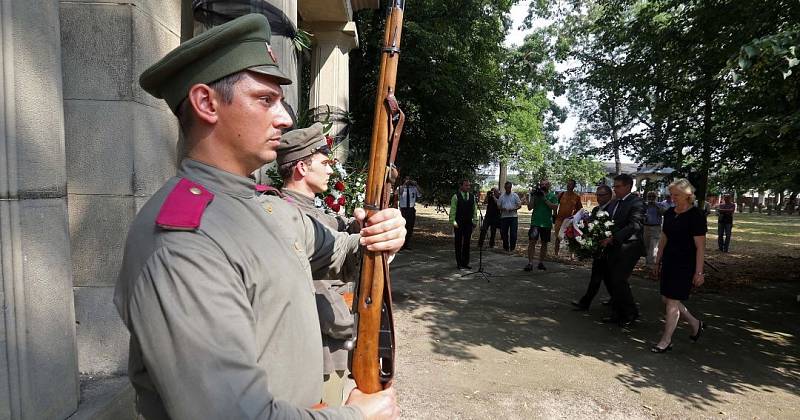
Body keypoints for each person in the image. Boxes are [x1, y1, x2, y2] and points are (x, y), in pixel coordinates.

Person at [114, 14, 402, 419]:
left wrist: (382, 236)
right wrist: (354, 416)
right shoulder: (183, 241)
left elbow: (341, 252)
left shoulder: (266, 206)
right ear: (205, 103)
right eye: (265, 100)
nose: (285, 117)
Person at [277, 123, 361, 406]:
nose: (330, 170)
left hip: (329, 338)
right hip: (314, 348)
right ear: (302, 168)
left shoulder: (312, 210)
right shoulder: (287, 213)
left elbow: (336, 227)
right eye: (324, 163)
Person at [651, 179, 707, 353]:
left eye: (677, 195)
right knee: (666, 299)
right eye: (671, 194)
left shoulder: (696, 215)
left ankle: (666, 340)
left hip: (685, 264)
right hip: (669, 261)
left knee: (672, 302)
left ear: (688, 195)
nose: (673, 198)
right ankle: (695, 323)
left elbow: (700, 246)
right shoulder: (669, 213)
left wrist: (699, 272)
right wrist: (657, 260)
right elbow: (663, 239)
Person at [599, 173, 644, 327]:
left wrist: (613, 237)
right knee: (612, 280)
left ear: (627, 186)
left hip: (629, 247)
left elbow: (635, 225)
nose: (615, 189)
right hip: (614, 247)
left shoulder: (636, 202)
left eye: (617, 186)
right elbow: (608, 222)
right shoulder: (614, 203)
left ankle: (630, 313)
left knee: (619, 279)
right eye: (614, 186)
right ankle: (617, 313)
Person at [571, 185, 614, 310]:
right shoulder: (596, 210)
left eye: (602, 195)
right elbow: (590, 225)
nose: (598, 197)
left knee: (602, 277)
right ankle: (613, 299)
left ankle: (586, 303)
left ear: (609, 196)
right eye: (597, 195)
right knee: (603, 277)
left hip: (608, 249)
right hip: (598, 249)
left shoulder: (612, 209)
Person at [524, 180, 558, 271]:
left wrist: (544, 199)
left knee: (544, 243)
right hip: (535, 222)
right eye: (541, 184)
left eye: (545, 184)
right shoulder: (536, 195)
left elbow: (554, 207)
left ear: (549, 185)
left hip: (546, 223)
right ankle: (530, 263)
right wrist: (533, 197)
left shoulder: (552, 195)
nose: (543, 186)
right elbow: (529, 208)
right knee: (532, 242)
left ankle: (541, 263)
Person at [449, 180, 478, 269]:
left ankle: (465, 262)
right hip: (458, 223)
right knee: (458, 243)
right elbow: (453, 210)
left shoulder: (472, 197)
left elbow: (475, 210)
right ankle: (459, 263)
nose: (468, 187)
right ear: (461, 186)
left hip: (468, 223)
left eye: (469, 185)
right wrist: (453, 221)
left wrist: (475, 221)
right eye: (466, 185)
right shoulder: (456, 197)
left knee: (467, 243)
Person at [553, 179, 583, 256]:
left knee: (570, 237)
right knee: (558, 237)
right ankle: (556, 254)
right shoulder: (561, 194)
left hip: (569, 221)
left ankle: (571, 256)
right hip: (559, 220)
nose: (569, 185)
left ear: (574, 186)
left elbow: (580, 209)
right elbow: (556, 205)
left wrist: (574, 217)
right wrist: (555, 213)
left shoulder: (576, 197)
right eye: (568, 184)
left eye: (571, 184)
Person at [396, 176, 421, 249]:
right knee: (402, 226)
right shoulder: (400, 187)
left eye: (409, 179)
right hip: (403, 209)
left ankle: (406, 244)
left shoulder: (414, 188)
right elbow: (399, 193)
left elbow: (420, 194)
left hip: (411, 209)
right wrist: (404, 184)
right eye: (406, 179)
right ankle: (400, 245)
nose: (408, 181)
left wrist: (416, 185)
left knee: (410, 227)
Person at [643, 191, 667, 266]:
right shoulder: (645, 205)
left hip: (656, 227)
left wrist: (656, 205)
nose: (651, 198)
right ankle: (647, 262)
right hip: (646, 227)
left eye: (653, 196)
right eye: (649, 196)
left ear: (656, 197)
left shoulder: (660, 205)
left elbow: (664, 213)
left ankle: (652, 263)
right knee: (646, 245)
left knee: (653, 246)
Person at [497, 181, 522, 252]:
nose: (508, 189)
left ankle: (512, 248)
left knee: (513, 233)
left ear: (511, 187)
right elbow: (498, 206)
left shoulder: (515, 195)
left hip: (513, 216)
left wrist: (513, 209)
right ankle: (506, 247)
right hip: (504, 217)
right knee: (504, 233)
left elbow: (519, 205)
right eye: (506, 187)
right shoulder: (502, 196)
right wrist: (503, 209)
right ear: (505, 188)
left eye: (509, 187)